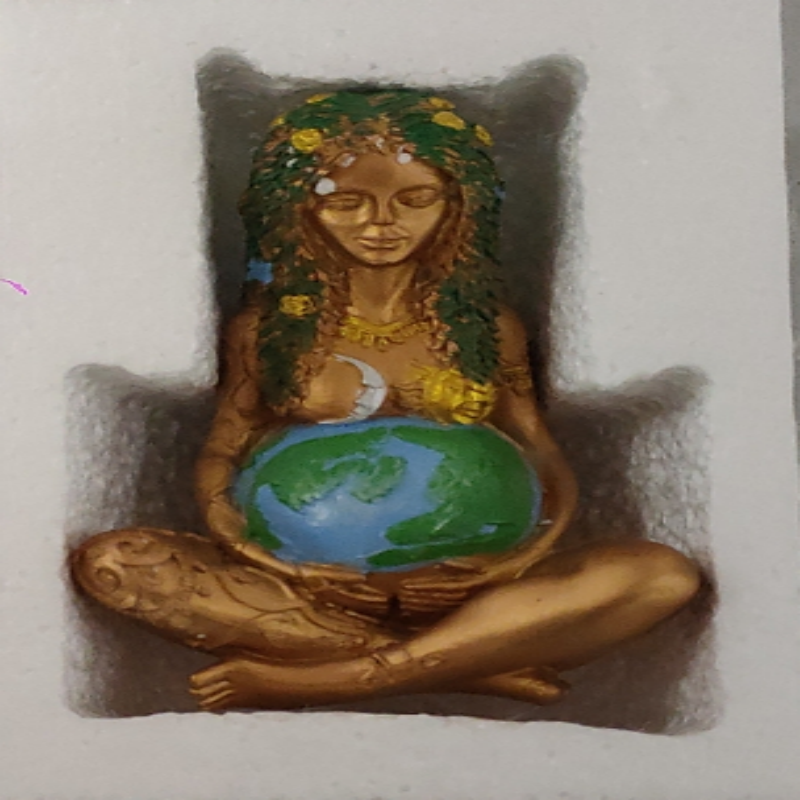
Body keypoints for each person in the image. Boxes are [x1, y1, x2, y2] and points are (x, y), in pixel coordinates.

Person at [71, 90, 700, 712]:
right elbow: (223, 453)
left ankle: (336, 678)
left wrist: (507, 565)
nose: (380, 224)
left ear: (458, 205)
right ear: (299, 209)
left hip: (476, 589)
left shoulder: (487, 327)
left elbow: (537, 447)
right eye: (346, 202)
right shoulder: (266, 331)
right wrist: (274, 562)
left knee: (660, 576)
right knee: (116, 562)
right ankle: (469, 667)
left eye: (415, 199)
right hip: (308, 594)